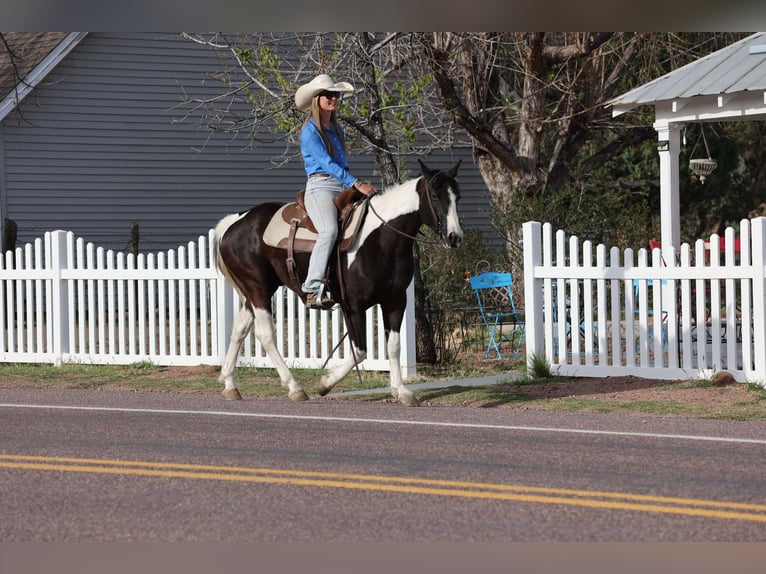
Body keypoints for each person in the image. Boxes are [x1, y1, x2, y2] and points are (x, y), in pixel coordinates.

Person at [294, 74, 377, 310]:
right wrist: (357, 184)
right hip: (320, 186)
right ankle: (311, 289)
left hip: (341, 184)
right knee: (329, 230)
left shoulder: (336, 128)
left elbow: (341, 166)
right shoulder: (310, 132)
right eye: (328, 95)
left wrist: (353, 185)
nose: (334, 98)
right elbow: (328, 164)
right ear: (316, 99)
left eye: (336, 94)